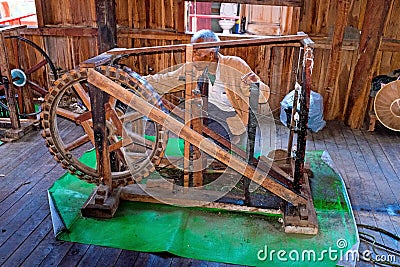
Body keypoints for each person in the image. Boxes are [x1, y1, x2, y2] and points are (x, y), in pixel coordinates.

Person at [145, 29, 270, 147]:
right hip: (201, 112)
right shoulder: (193, 68)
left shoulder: (235, 65)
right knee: (158, 124)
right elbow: (165, 80)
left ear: (211, 55)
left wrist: (254, 84)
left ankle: (228, 141)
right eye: (193, 52)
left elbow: (263, 96)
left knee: (210, 146)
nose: (193, 58)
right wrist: (138, 80)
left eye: (198, 54)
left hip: (228, 118)